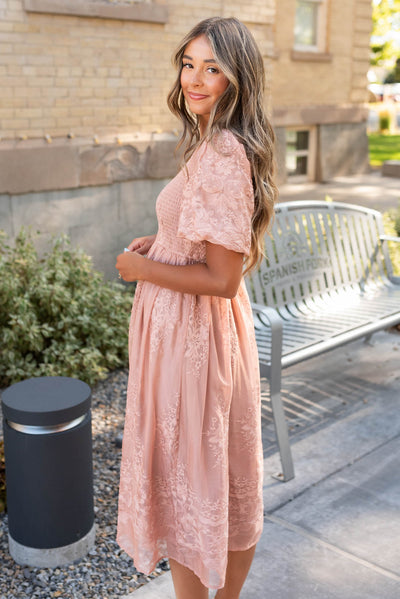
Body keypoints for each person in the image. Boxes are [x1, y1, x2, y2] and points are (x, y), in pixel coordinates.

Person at [115, 16, 278, 599]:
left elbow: (221, 276)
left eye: (213, 67)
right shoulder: (215, 144)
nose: (196, 78)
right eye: (189, 63)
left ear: (238, 79)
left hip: (193, 344)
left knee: (192, 485)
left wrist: (139, 270)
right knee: (218, 478)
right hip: (197, 337)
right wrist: (159, 244)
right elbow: (204, 246)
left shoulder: (223, 153)